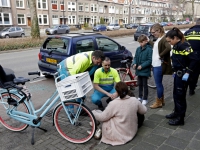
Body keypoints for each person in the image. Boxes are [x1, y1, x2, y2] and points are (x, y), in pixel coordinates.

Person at [92, 81, 147, 146]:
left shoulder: (113, 103)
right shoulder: (134, 100)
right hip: (131, 132)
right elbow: (144, 111)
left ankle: (99, 128)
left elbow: (102, 117)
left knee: (103, 115)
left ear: (117, 92)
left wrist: (93, 112)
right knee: (110, 115)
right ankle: (98, 125)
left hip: (118, 135)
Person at [165, 27, 198, 126]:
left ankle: (180, 119)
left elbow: (194, 60)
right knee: (176, 94)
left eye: (170, 40)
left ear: (175, 38)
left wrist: (188, 72)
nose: (169, 43)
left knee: (180, 96)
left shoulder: (184, 46)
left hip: (183, 75)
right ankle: (176, 112)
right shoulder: (176, 46)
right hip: (178, 74)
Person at [149, 23, 172, 109]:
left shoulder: (164, 38)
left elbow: (169, 48)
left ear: (158, 31)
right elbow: (156, 47)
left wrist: (160, 55)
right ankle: (161, 101)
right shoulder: (159, 38)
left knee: (158, 84)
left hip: (158, 65)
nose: (152, 34)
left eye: (153, 32)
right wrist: (149, 42)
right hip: (156, 64)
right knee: (159, 84)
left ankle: (158, 102)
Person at [132, 34, 152, 105]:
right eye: (139, 42)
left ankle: (145, 98)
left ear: (145, 41)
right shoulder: (138, 49)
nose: (140, 44)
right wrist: (134, 63)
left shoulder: (149, 49)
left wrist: (142, 66)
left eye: (141, 42)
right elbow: (135, 58)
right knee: (139, 84)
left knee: (145, 85)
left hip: (145, 70)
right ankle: (140, 97)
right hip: (139, 70)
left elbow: (149, 60)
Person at [184, 18, 200, 96]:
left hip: (190, 56)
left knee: (191, 72)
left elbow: (184, 45)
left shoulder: (187, 32)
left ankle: (191, 89)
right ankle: (192, 88)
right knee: (196, 73)